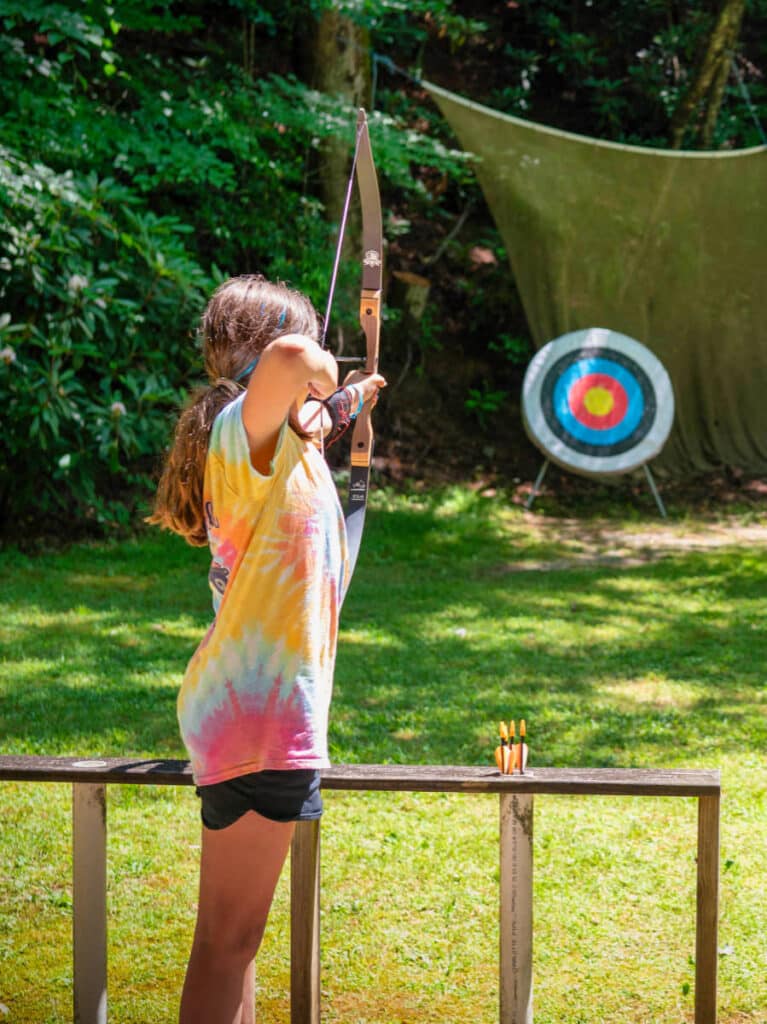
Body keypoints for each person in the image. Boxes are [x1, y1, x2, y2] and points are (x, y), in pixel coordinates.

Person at [148, 273, 386, 1024]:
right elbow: (289, 355)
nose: (318, 356)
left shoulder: (274, 447)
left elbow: (299, 407)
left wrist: (341, 406)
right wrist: (321, 367)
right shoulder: (239, 436)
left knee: (235, 943)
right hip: (258, 719)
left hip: (260, 713)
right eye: (311, 338)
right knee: (226, 941)